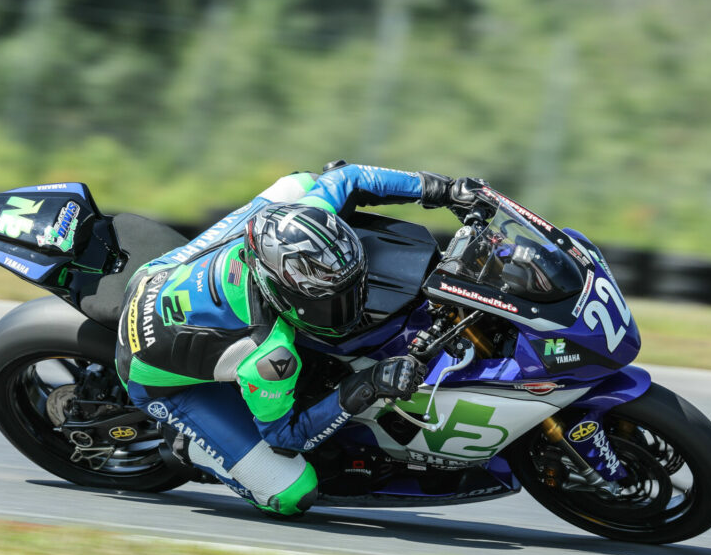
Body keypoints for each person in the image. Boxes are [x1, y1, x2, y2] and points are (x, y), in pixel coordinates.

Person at [114, 161, 484, 516]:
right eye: (332, 301)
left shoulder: (295, 216)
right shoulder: (268, 354)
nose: (353, 304)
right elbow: (287, 437)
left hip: (158, 274)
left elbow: (350, 177)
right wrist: (369, 384)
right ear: (282, 295)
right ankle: (191, 445)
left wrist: (443, 189)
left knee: (302, 182)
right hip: (148, 372)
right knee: (293, 493)